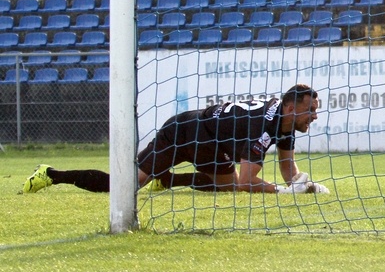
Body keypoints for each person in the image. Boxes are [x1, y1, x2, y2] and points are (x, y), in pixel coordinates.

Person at [23, 84, 329, 195]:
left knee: (226, 187)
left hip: (211, 141)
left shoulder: (287, 124)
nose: (314, 115)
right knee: (122, 187)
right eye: (310, 110)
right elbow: (250, 182)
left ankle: (166, 181)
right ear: (291, 107)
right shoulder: (265, 126)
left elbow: (288, 167)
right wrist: (285, 192)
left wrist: (303, 182)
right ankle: (51, 174)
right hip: (183, 132)